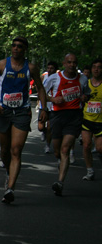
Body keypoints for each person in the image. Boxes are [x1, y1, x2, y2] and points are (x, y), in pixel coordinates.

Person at [0, 36, 48, 204]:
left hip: (22, 112)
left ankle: (10, 189)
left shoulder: (31, 68)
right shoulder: (1, 65)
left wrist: (44, 108)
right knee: (5, 151)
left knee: (16, 150)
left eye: (20, 46)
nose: (16, 48)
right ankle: (8, 171)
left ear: (25, 49)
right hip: (3, 111)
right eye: (13, 46)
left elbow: (41, 89)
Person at [44, 53, 88, 196]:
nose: (72, 65)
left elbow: (87, 95)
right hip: (57, 116)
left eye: (74, 62)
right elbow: (42, 93)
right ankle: (60, 162)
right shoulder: (54, 78)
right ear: (64, 63)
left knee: (65, 149)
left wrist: (85, 97)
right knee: (57, 150)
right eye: (69, 62)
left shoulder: (83, 79)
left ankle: (60, 182)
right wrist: (52, 99)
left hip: (74, 116)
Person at [81, 59, 102, 181]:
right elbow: (80, 98)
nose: (96, 69)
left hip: (100, 121)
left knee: (99, 148)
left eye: (99, 67)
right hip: (87, 119)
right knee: (86, 145)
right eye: (94, 67)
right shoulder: (86, 84)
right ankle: (90, 170)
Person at [40, 61, 59, 153]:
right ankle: (43, 131)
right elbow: (40, 88)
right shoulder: (44, 76)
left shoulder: (58, 78)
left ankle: (47, 145)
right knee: (40, 127)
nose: (49, 70)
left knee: (50, 128)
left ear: (55, 69)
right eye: (48, 68)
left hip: (53, 107)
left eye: (51, 68)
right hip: (43, 105)